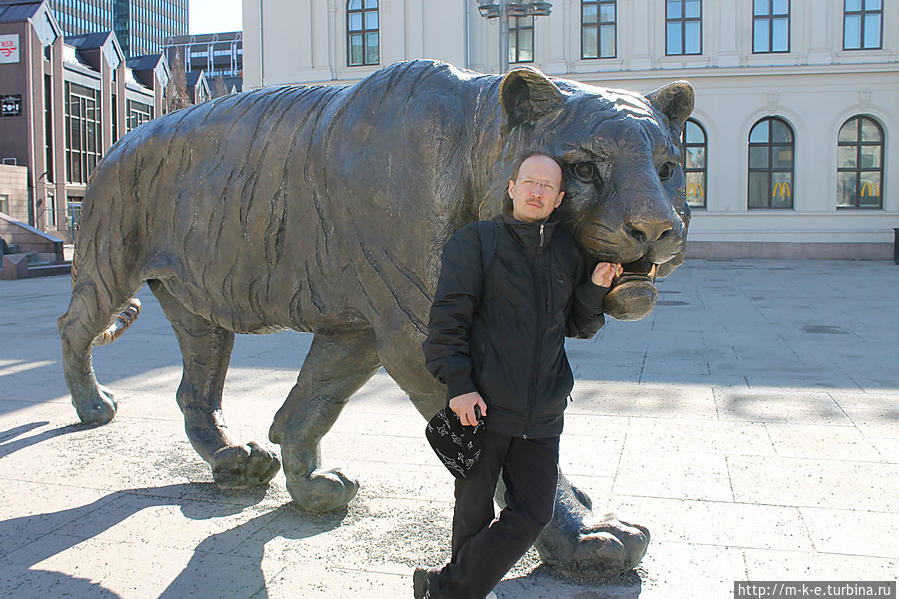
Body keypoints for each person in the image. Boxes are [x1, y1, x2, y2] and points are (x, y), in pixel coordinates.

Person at [416, 152, 622, 599]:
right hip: (483, 406)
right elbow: (447, 321)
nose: (536, 191)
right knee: (472, 512)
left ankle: (446, 588)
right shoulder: (476, 241)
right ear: (511, 188)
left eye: (547, 186)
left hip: (544, 409)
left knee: (534, 512)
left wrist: (596, 287)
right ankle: (463, 592)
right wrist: (460, 386)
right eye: (529, 181)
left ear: (559, 197)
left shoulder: (568, 251)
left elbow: (577, 326)